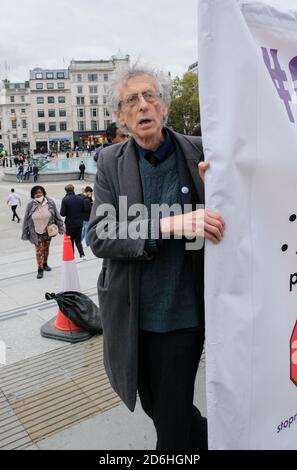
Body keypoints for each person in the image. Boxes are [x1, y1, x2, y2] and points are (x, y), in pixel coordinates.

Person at [88, 65, 225, 450]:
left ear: (164, 107)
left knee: (169, 427)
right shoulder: (110, 162)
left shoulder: (202, 152)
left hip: (184, 313)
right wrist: (168, 225)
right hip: (132, 313)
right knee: (158, 406)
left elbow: (235, 212)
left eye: (151, 96)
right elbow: (100, 233)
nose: (143, 105)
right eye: (132, 100)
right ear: (120, 115)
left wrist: (217, 187)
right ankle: (217, 439)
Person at [21, 185, 64, 279]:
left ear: (43, 193)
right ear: (33, 195)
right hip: (36, 232)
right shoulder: (30, 205)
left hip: (48, 231)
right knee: (39, 251)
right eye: (35, 193)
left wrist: (61, 228)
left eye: (40, 192)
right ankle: (40, 269)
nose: (38, 194)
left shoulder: (50, 203)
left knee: (46, 249)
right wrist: (25, 232)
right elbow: (26, 219)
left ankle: (45, 263)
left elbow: (57, 216)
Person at [60, 184, 86, 259]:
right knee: (78, 240)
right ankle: (82, 254)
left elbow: (63, 213)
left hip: (70, 224)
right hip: (79, 223)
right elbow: (83, 210)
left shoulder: (65, 199)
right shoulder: (80, 198)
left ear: (66, 190)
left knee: (70, 240)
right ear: (73, 189)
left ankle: (72, 255)